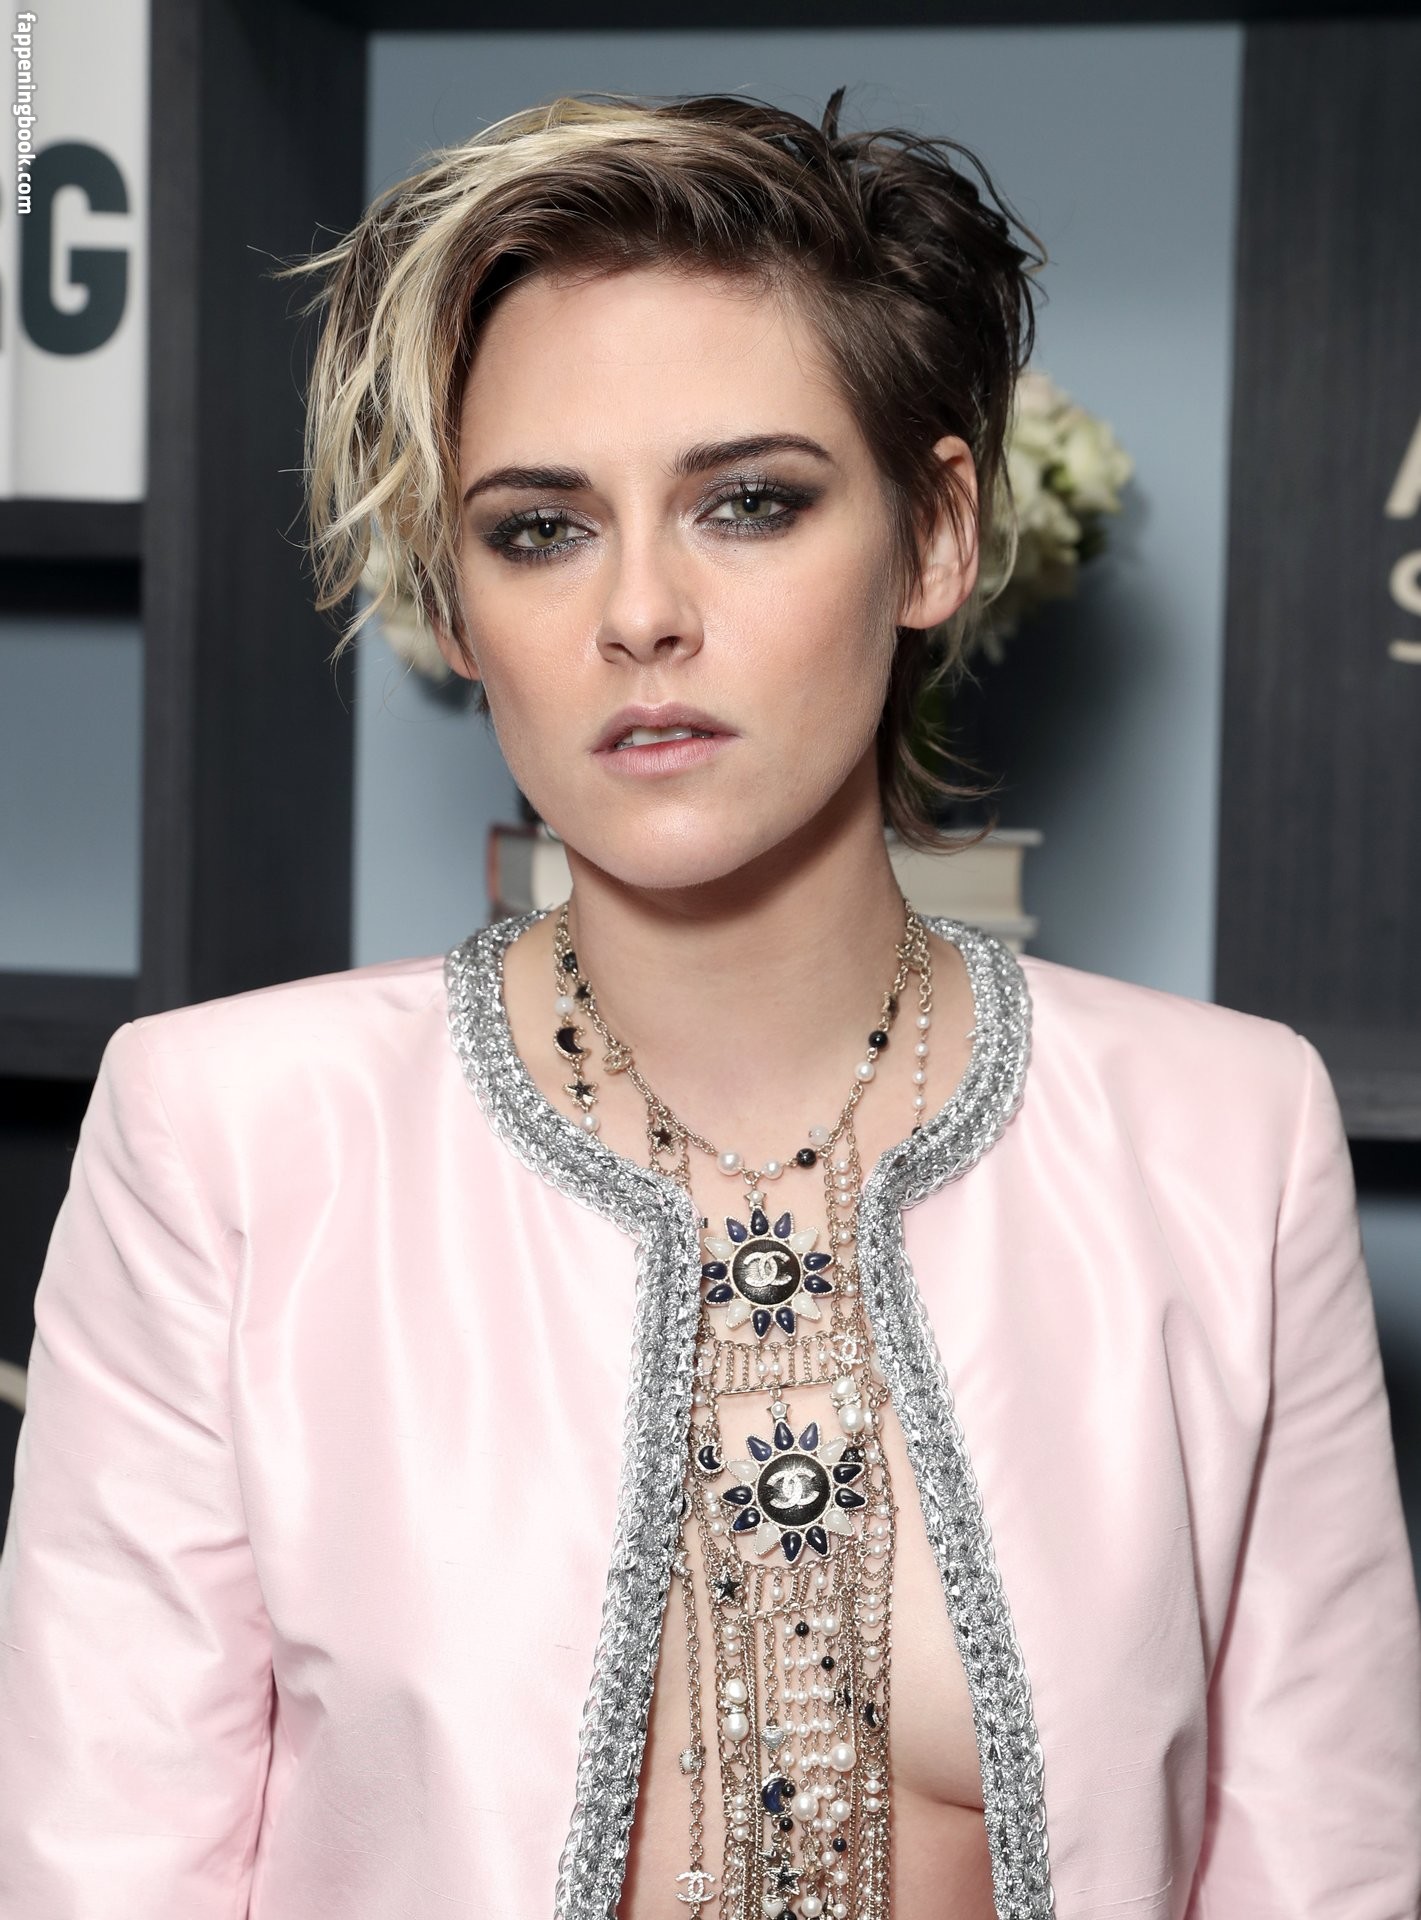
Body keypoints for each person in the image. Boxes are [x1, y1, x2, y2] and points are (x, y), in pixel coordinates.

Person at [0, 87, 1417, 1920]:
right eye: (538, 529)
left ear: (935, 534)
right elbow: (103, 1869)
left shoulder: (1225, 1142)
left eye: (749, 504)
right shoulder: (230, 1141)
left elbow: (1322, 1869)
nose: (641, 614)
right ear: (456, 603)